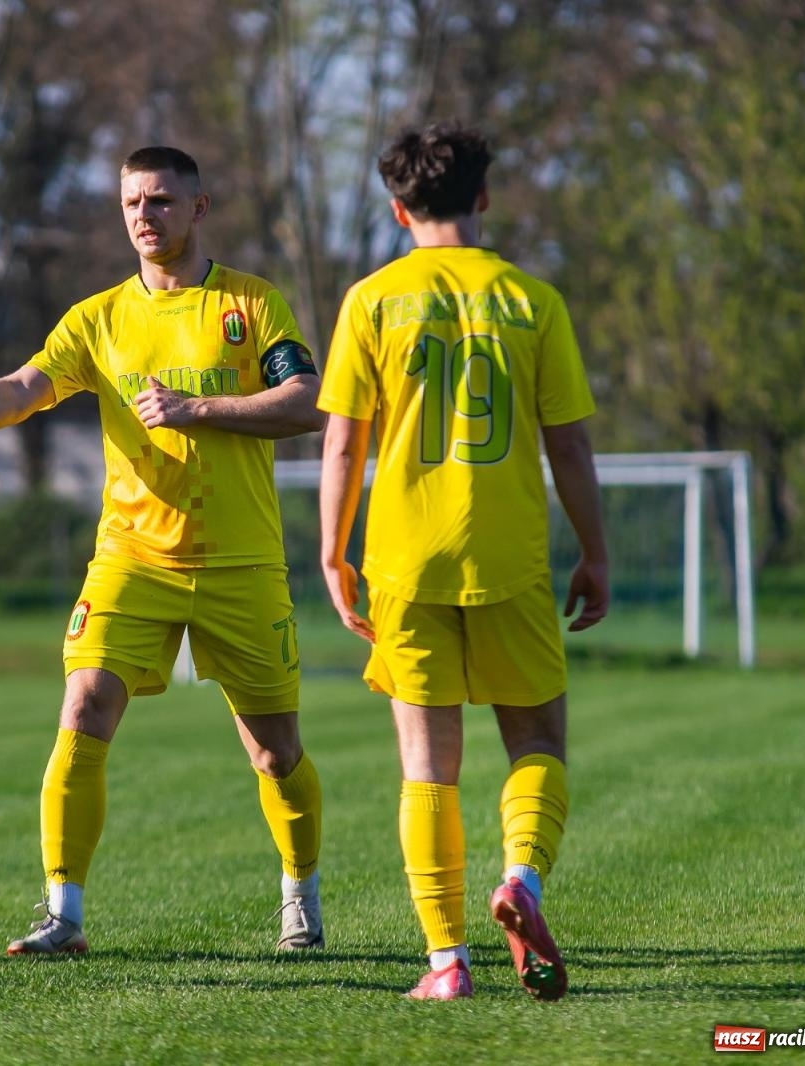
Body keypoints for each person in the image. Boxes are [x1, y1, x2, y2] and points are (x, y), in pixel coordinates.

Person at [0, 146, 327, 955]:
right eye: (132, 203)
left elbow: (306, 400)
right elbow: (23, 387)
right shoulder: (99, 317)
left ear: (198, 207)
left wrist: (197, 409)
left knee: (274, 750)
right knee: (82, 708)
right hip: (132, 557)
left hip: (240, 561)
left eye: (161, 201)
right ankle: (63, 913)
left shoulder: (251, 304)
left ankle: (301, 892)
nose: (145, 216)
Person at [316, 121, 610, 1001]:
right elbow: (570, 446)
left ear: (398, 210)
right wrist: (594, 552)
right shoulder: (532, 301)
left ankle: (447, 963)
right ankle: (521, 878)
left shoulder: (372, 300)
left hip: (405, 562)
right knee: (538, 742)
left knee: (426, 765)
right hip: (508, 557)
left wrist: (332, 552)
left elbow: (343, 445)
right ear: (483, 197)